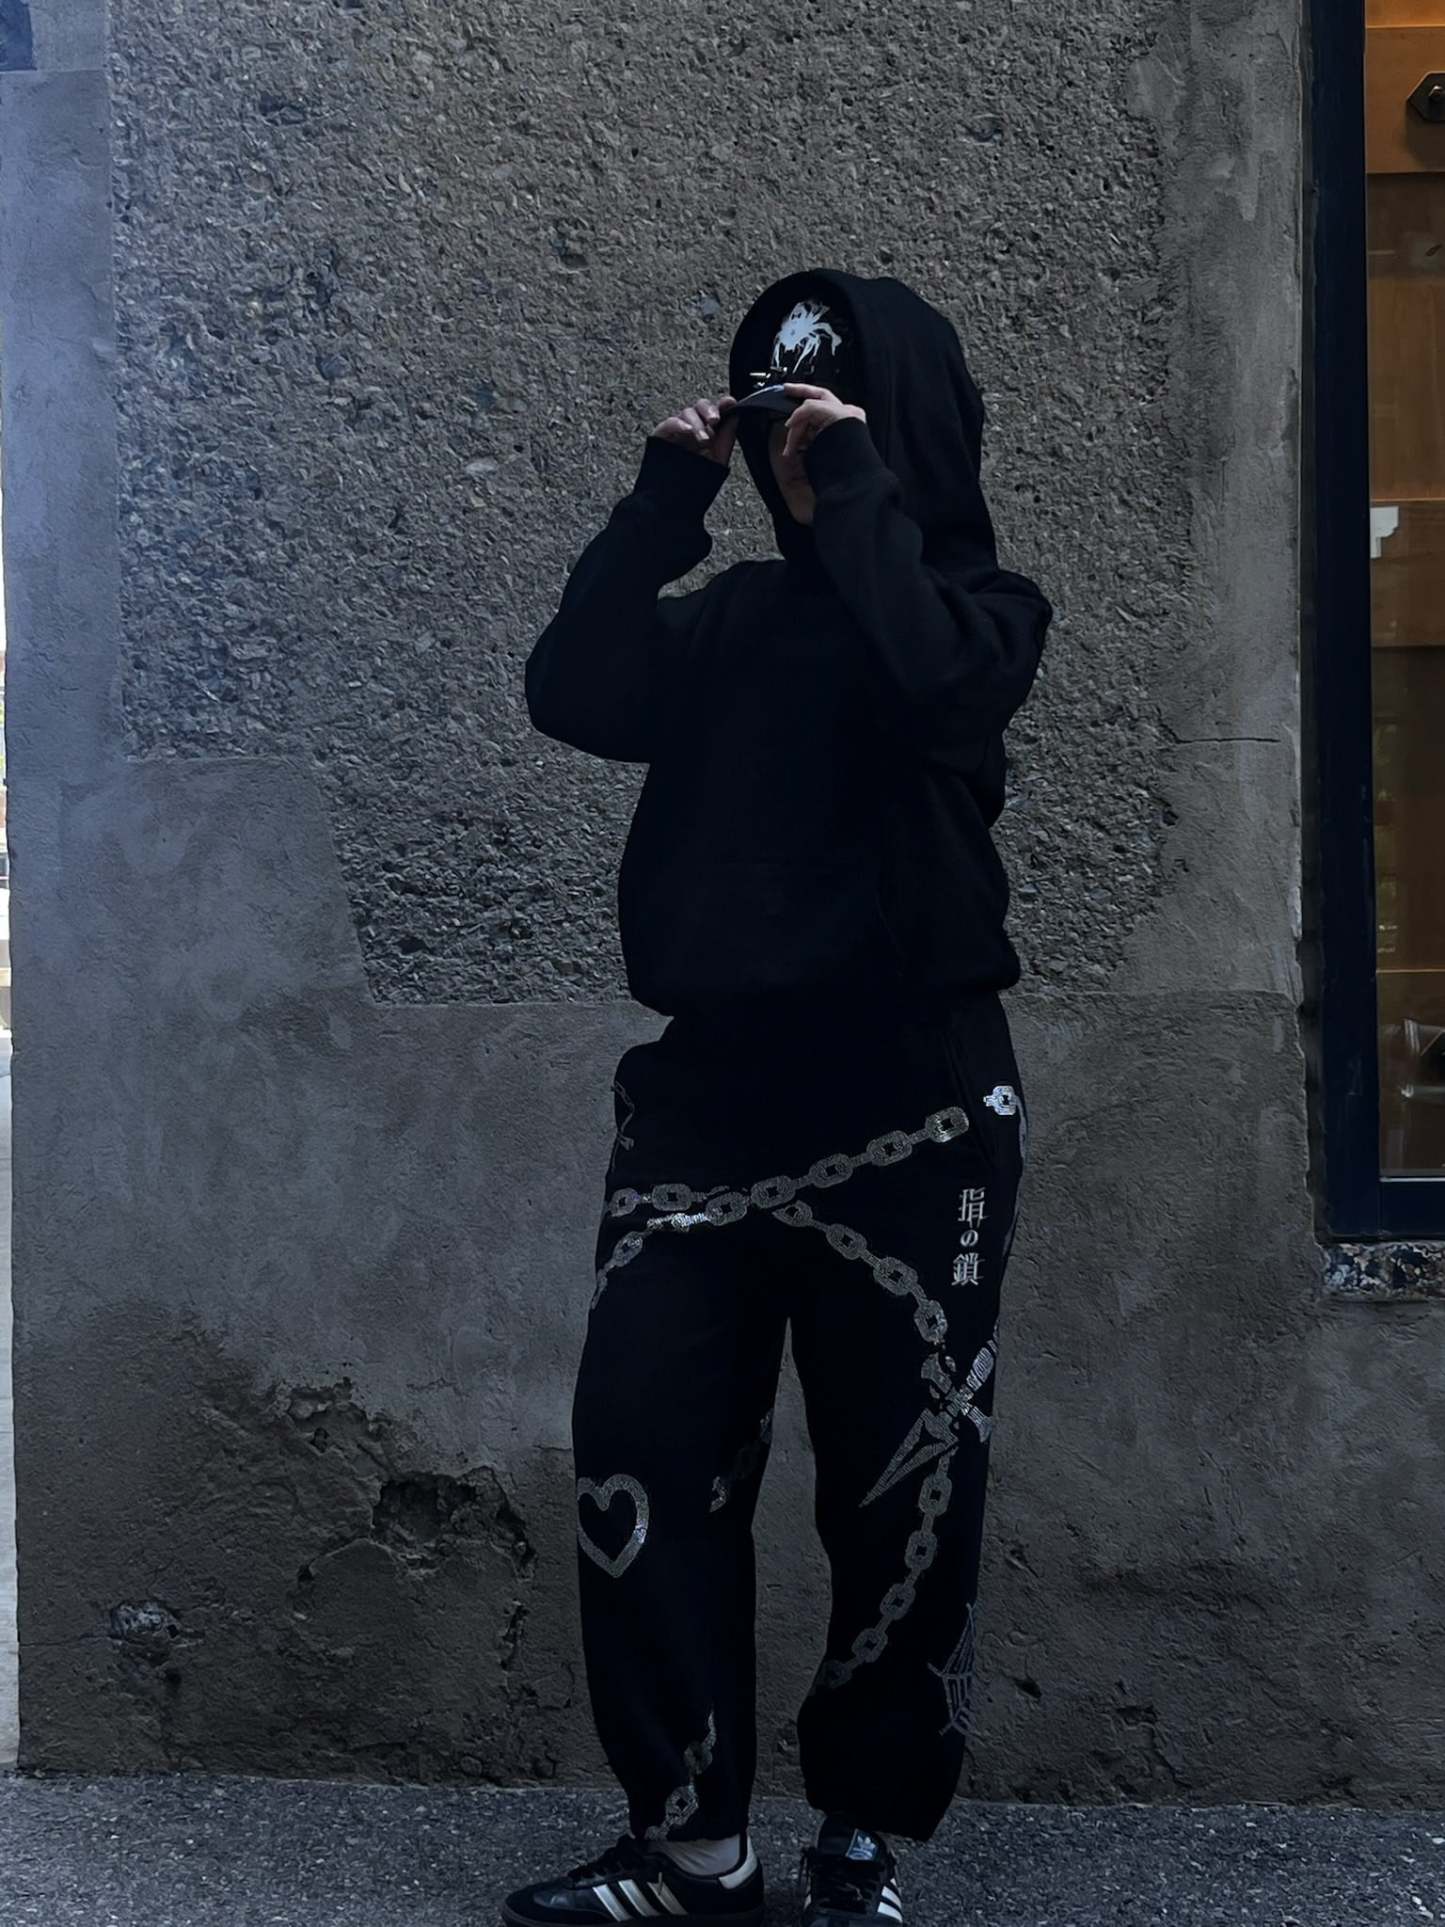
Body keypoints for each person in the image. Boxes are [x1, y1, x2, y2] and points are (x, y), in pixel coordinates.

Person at [506, 268, 1052, 1927]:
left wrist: (857, 486)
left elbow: (936, 685)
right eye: (776, 421)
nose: (792, 456)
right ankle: (691, 1844)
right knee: (642, 1449)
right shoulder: (731, 623)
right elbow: (574, 691)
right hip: (709, 1109)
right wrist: (664, 501)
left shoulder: (980, 614)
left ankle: (863, 1838)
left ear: (907, 436)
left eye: (827, 419)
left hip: (914, 1106)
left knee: (903, 1489)